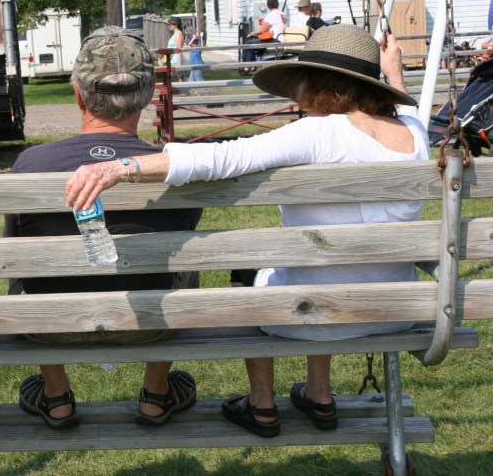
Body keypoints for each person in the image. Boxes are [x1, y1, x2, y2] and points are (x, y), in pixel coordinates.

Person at [64, 25, 428, 437]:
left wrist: (121, 167)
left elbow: (223, 158)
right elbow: (409, 113)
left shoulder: (319, 134)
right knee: (311, 270)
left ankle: (261, 404)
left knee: (253, 272)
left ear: (316, 84)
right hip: (396, 311)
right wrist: (395, 75)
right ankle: (318, 394)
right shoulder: (415, 135)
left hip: (319, 316)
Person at [4, 26, 202, 430]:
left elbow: (12, 255)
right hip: (147, 325)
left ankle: (56, 397)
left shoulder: (31, 164)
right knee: (187, 262)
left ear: (78, 93)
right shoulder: (175, 171)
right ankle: (156, 394)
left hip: (51, 326)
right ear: (147, 95)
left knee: (23, 263)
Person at [241, 0, 286, 75]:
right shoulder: (282, 14)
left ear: (268, 6)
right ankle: (252, 66)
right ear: (277, 4)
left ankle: (248, 67)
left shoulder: (271, 15)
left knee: (249, 43)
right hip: (280, 38)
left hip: (275, 39)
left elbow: (262, 30)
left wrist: (252, 33)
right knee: (252, 43)